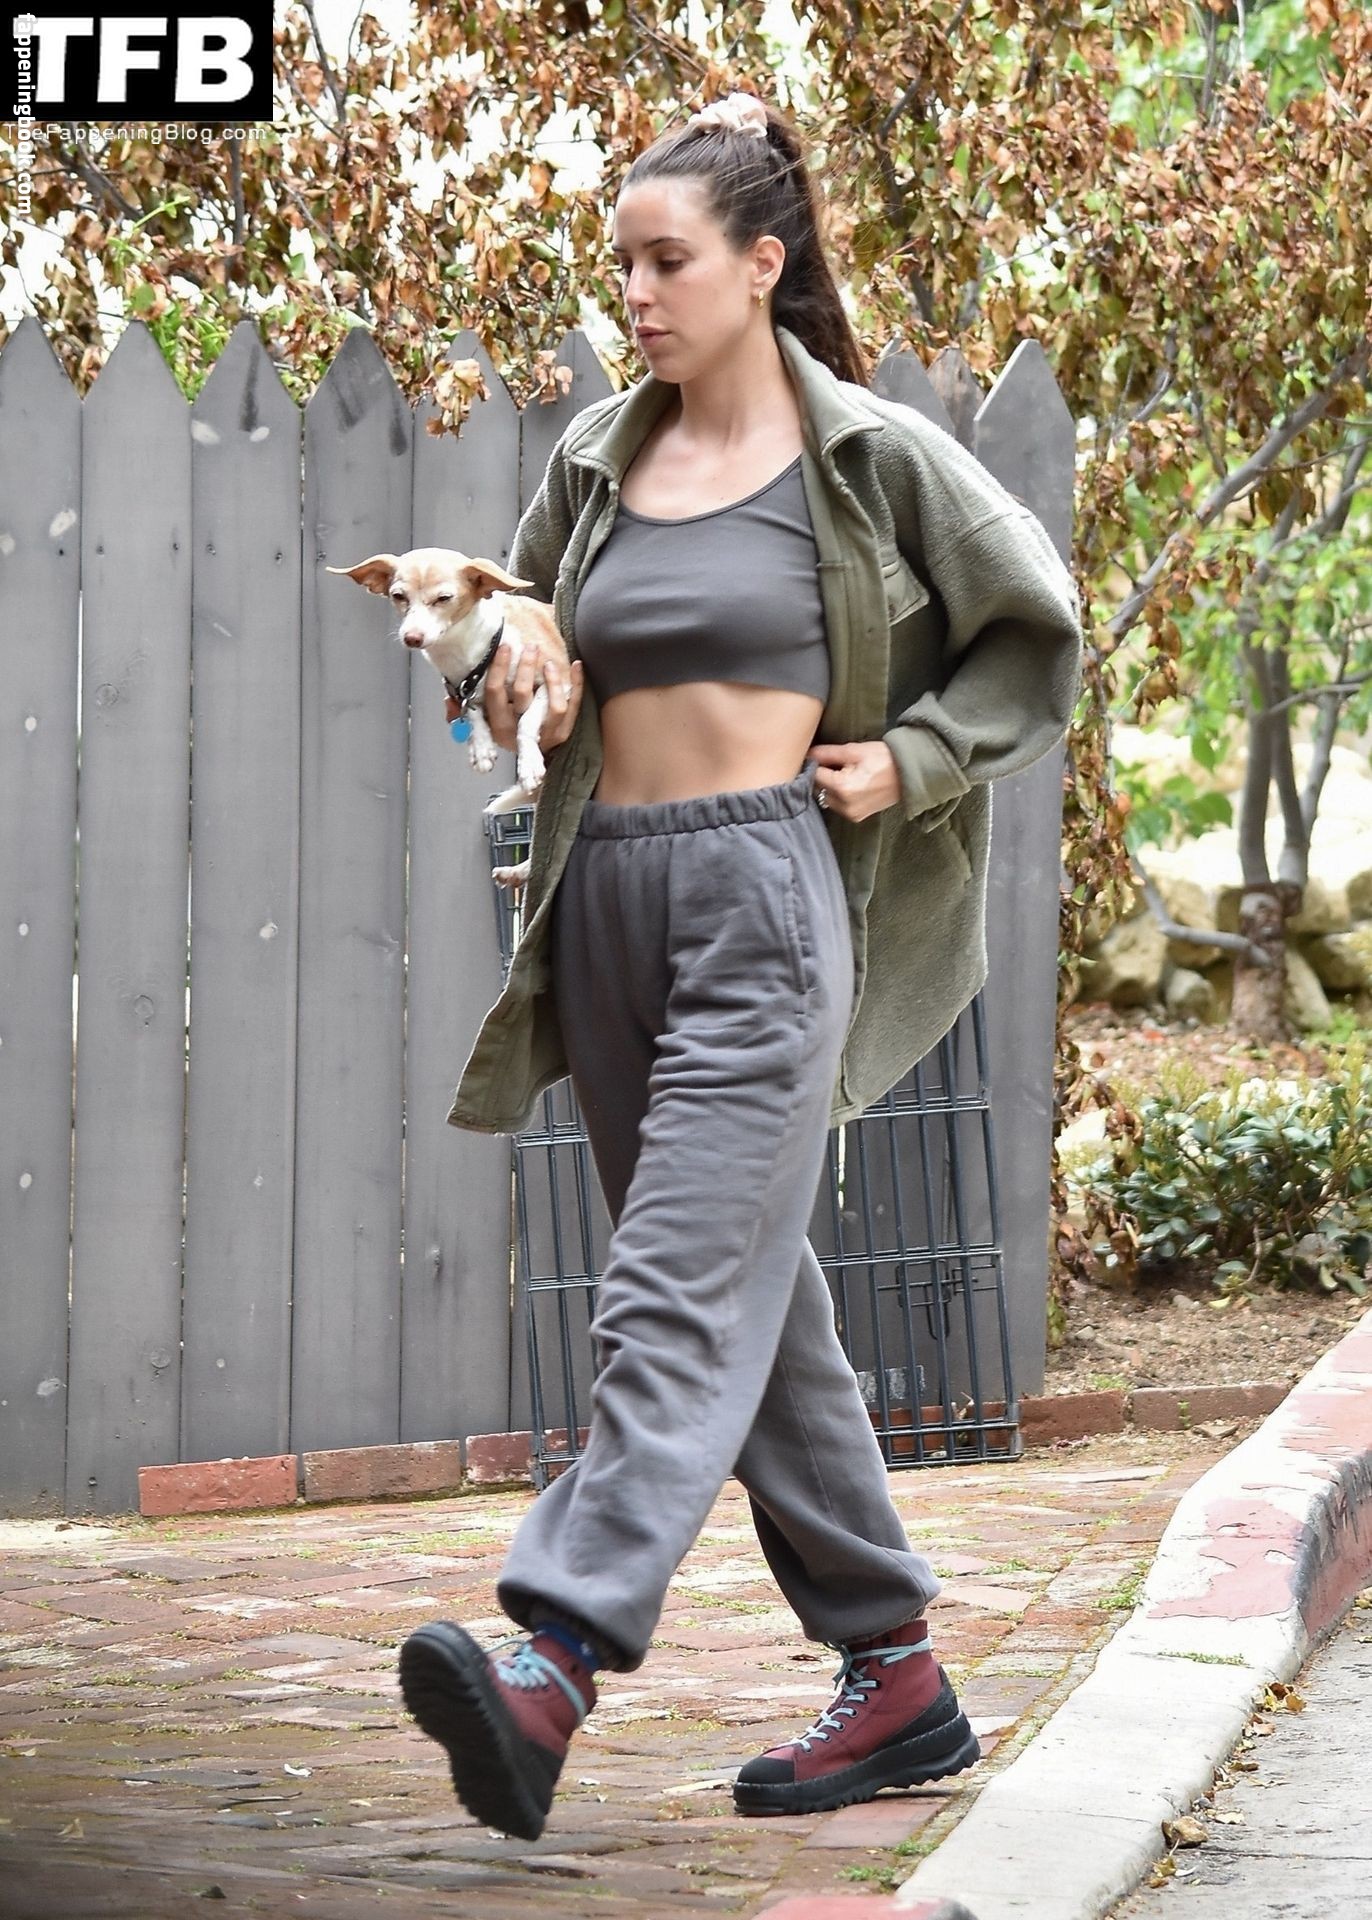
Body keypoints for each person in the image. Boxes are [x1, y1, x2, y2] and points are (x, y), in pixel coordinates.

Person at [399, 89, 1083, 1844]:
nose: (635, 293)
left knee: (671, 1290)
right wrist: (508, 655)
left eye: (668, 261)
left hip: (766, 904)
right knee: (751, 1304)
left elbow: (1034, 633)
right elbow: (533, 637)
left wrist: (915, 759)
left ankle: (553, 1658)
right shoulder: (595, 461)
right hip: (605, 903)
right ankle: (897, 1674)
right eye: (622, 264)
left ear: (762, 263)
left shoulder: (871, 459)